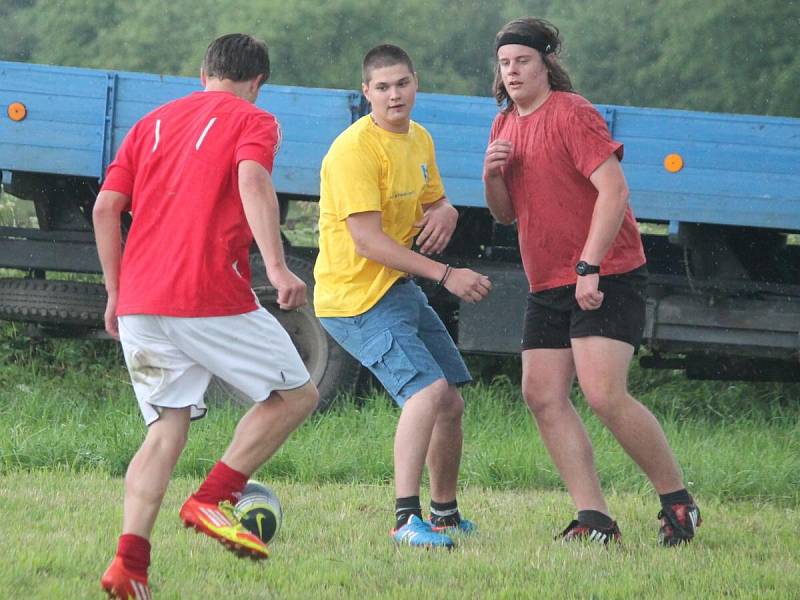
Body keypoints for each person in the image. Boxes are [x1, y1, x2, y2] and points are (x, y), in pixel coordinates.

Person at [93, 33, 319, 598]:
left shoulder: (151, 123)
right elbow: (252, 180)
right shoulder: (253, 119)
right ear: (258, 82)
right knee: (296, 396)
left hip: (142, 301)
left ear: (203, 72)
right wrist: (277, 266)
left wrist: (116, 293)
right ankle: (214, 498)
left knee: (166, 429)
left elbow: (105, 207)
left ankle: (129, 566)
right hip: (206, 291)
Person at [483, 18, 701, 546]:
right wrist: (490, 176)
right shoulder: (503, 124)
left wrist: (590, 264)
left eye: (523, 62)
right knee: (541, 395)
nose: (513, 72)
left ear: (545, 64)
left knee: (604, 393)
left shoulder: (571, 112)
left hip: (608, 271)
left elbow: (614, 191)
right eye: (506, 63)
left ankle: (677, 504)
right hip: (547, 280)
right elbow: (506, 214)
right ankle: (594, 518)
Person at [314, 44, 492, 549]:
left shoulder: (418, 138)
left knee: (451, 403)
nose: (394, 95)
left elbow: (435, 199)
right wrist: (446, 274)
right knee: (426, 393)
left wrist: (449, 213)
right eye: (383, 87)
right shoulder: (353, 151)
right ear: (366, 92)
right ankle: (403, 520)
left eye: (402, 84)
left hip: (395, 287)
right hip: (354, 299)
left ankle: (444, 514)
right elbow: (367, 241)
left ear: (416, 84)